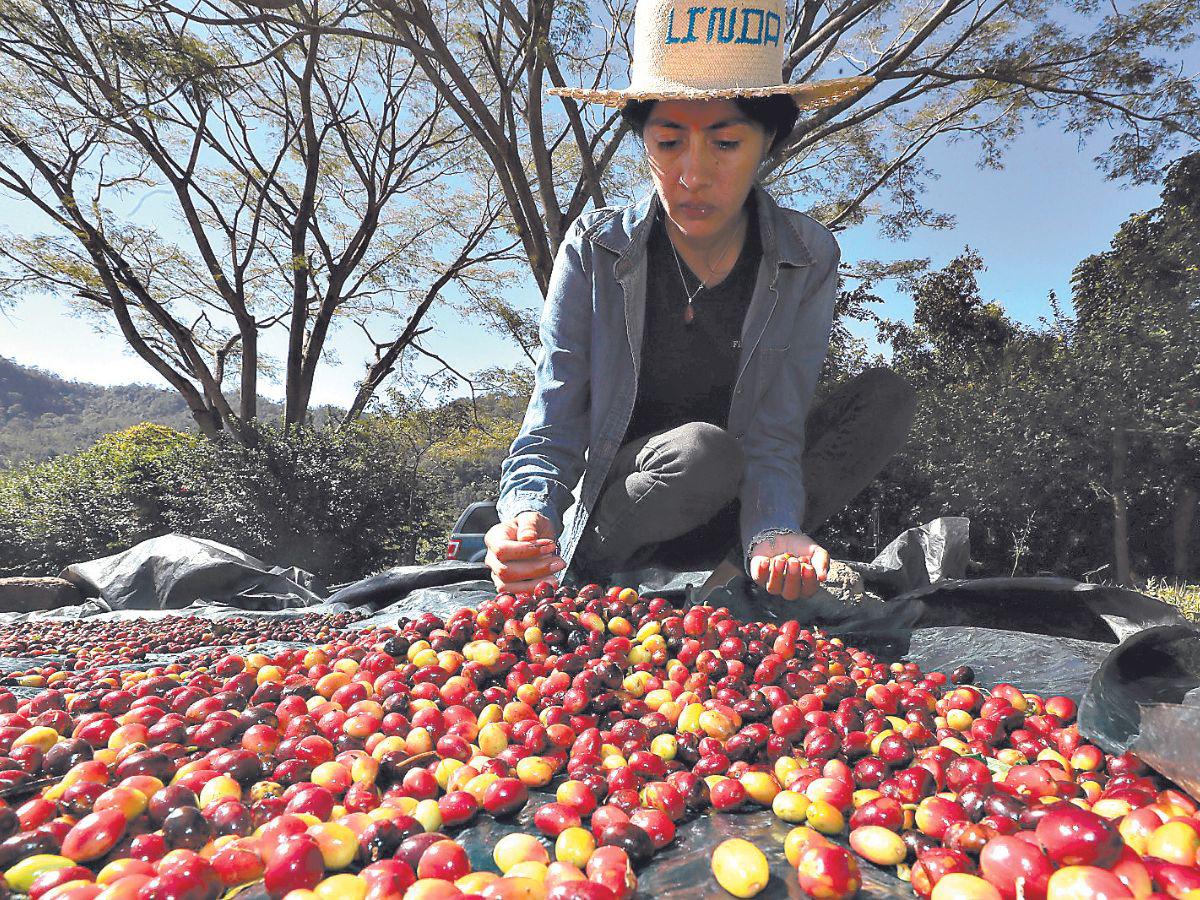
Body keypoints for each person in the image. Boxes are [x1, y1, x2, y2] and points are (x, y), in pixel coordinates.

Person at [486, 0, 917, 600]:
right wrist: (528, 519)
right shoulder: (594, 249)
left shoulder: (808, 255)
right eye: (667, 142)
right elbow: (553, 419)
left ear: (768, 140)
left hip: (737, 507)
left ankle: (749, 568)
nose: (693, 174)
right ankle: (592, 567)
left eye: (726, 143)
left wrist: (773, 525)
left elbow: (777, 427)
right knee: (701, 453)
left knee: (883, 398)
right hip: (631, 505)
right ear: (642, 141)